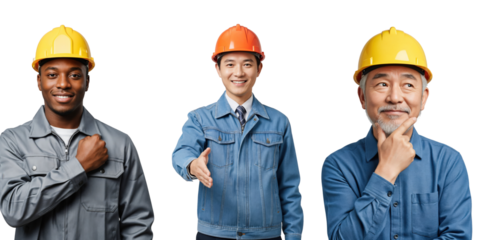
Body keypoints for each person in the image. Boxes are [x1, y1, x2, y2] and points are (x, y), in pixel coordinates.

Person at [0, 23, 155, 239]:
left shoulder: (120, 143)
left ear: (87, 82)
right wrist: (79, 166)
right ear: (38, 81)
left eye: (75, 75)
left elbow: (138, 225)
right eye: (52, 75)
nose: (63, 84)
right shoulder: (13, 141)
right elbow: (12, 211)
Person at [321, 24, 473, 239]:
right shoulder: (338, 163)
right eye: (382, 84)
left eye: (408, 85)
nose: (394, 97)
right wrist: (386, 170)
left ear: (424, 97)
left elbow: (458, 237)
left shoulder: (448, 161)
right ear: (362, 97)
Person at [171, 22, 304, 240]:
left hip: (267, 236)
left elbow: (290, 186)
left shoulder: (280, 121)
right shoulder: (200, 117)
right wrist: (193, 165)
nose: (239, 73)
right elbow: (180, 153)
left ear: (260, 68)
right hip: (213, 235)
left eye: (247, 64)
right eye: (230, 64)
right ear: (218, 69)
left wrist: (293, 235)